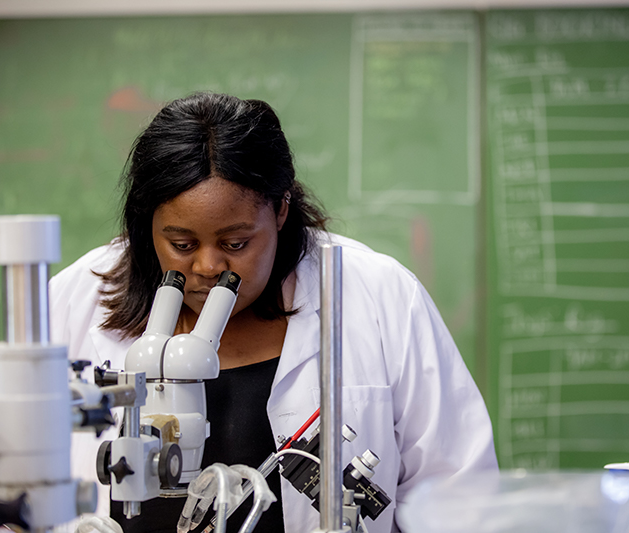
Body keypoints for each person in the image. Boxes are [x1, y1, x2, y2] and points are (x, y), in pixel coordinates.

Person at [50, 92, 498, 533]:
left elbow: (460, 497)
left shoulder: (378, 295)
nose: (208, 267)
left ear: (281, 209)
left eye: (236, 243)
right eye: (182, 245)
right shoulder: (75, 298)